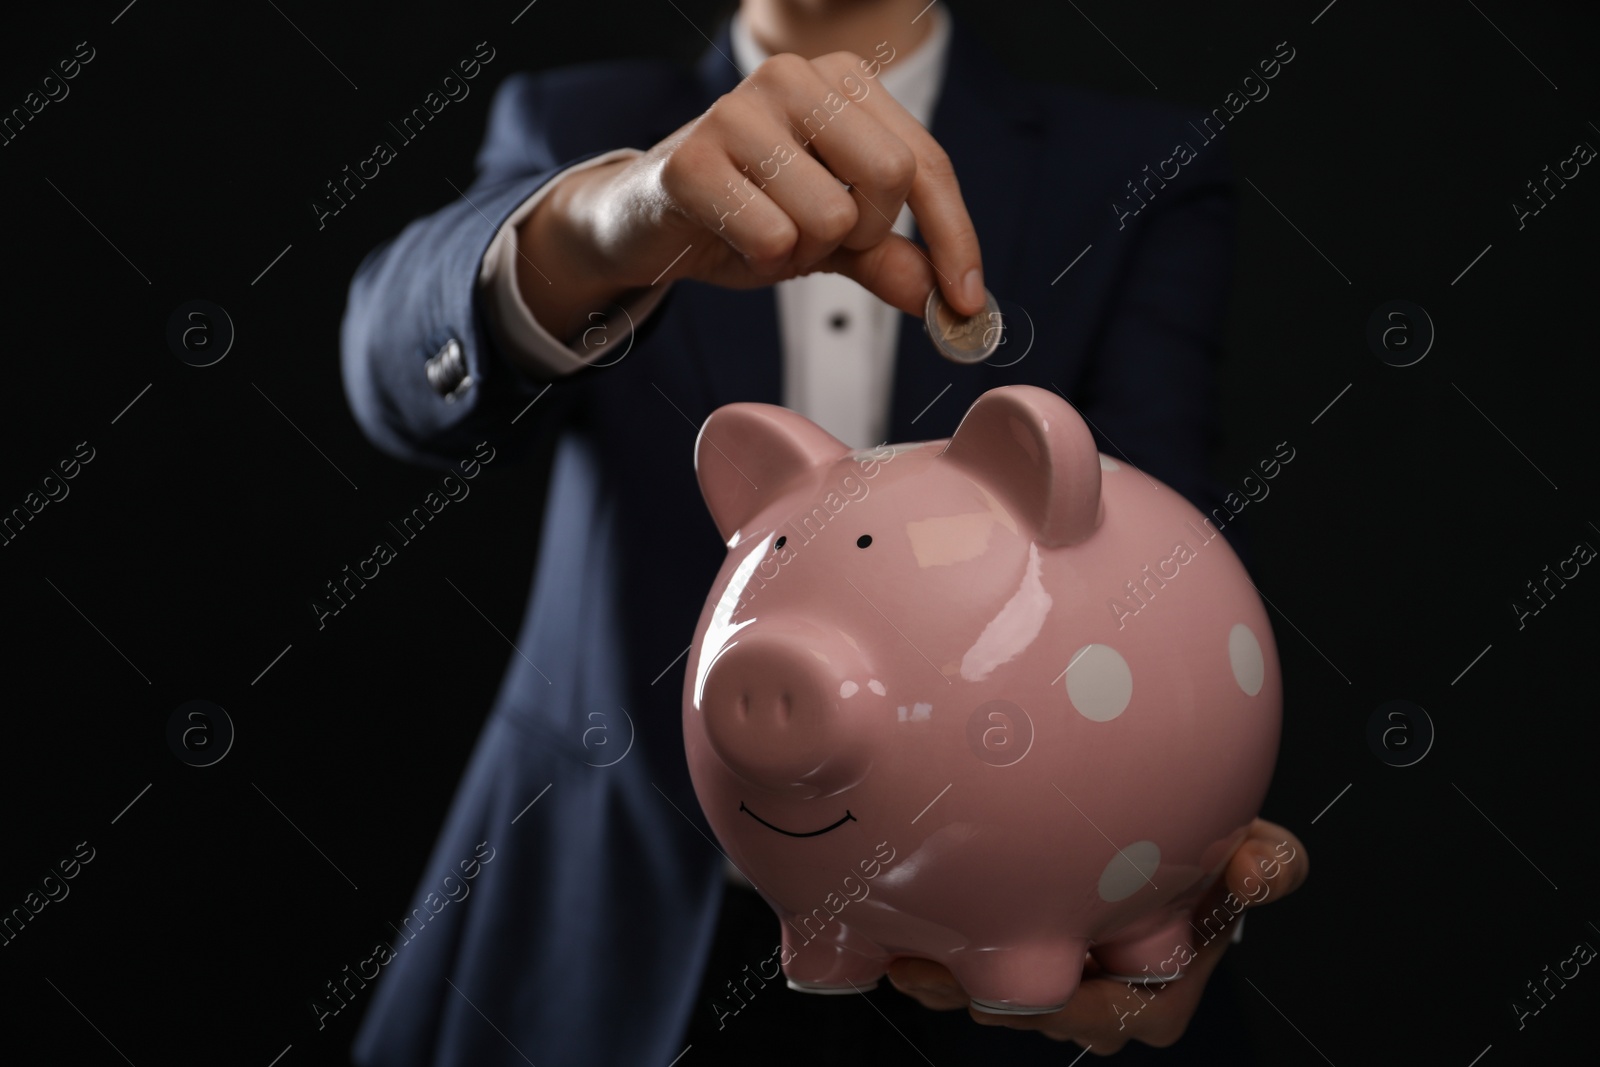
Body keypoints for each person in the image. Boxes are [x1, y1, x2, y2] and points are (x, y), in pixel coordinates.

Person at [339, 1, 1309, 1063]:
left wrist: (1186, 834)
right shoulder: (574, 119)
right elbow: (395, 374)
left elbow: (1159, 547)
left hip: (1012, 909)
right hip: (612, 912)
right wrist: (612, 216)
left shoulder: (1133, 164)